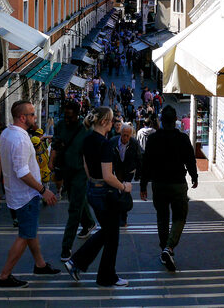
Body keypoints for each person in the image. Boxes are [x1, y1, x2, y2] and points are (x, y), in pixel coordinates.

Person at [0, 101, 60, 288]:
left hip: (17, 193)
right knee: (25, 235)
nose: (35, 117)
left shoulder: (7, 133)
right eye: (32, 114)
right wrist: (43, 190)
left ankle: (40, 265)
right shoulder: (21, 140)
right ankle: (4, 276)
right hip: (26, 196)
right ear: (22, 118)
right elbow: (22, 172)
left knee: (30, 231)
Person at [64, 107, 130, 287]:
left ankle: (103, 275)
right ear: (103, 122)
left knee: (110, 233)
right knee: (111, 233)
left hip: (92, 189)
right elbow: (108, 175)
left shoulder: (87, 140)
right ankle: (81, 264)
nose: (113, 123)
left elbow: (86, 167)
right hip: (105, 192)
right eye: (111, 120)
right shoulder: (105, 143)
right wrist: (124, 186)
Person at [140, 106, 199, 272]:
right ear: (175, 121)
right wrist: (194, 176)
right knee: (180, 217)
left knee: (162, 218)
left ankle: (164, 250)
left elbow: (147, 163)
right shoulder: (182, 138)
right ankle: (169, 248)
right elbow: (190, 159)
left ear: (160, 120)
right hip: (178, 183)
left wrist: (143, 185)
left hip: (159, 184)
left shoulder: (153, 139)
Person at [52, 100, 97, 262]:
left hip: (80, 172)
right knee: (75, 199)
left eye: (70, 116)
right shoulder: (60, 125)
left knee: (74, 208)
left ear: (77, 115)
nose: (67, 119)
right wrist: (53, 163)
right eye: (65, 115)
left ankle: (66, 247)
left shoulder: (85, 130)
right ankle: (89, 222)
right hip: (65, 169)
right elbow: (56, 144)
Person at [109, 123, 142, 227]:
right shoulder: (113, 142)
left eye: (128, 135)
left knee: (124, 193)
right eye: (124, 135)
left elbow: (139, 159)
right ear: (121, 133)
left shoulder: (134, 143)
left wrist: (138, 174)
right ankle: (116, 216)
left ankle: (123, 218)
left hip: (128, 172)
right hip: (116, 172)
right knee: (116, 193)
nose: (126, 138)